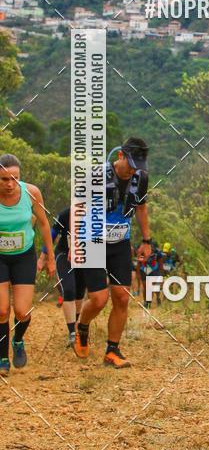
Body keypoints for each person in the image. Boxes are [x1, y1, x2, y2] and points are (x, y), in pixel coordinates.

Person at [73, 137, 152, 368]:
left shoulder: (141, 178)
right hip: (93, 239)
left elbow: (141, 207)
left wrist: (147, 240)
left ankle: (112, 350)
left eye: (138, 166)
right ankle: (82, 326)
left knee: (122, 297)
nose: (133, 170)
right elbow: (79, 207)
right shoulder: (96, 175)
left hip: (120, 243)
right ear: (120, 156)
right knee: (98, 299)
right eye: (130, 164)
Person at [0, 153, 55, 372]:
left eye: (14, 178)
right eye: (4, 179)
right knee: (2, 310)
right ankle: (3, 357)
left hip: (23, 256)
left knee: (22, 312)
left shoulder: (31, 193)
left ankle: (18, 340)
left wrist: (50, 257)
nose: (10, 184)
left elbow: (43, 225)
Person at [38, 207, 86, 346]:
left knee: (79, 293)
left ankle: (77, 326)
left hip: (84, 256)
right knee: (69, 290)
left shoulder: (97, 213)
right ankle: (72, 332)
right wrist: (43, 257)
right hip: (64, 255)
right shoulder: (66, 213)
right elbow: (52, 234)